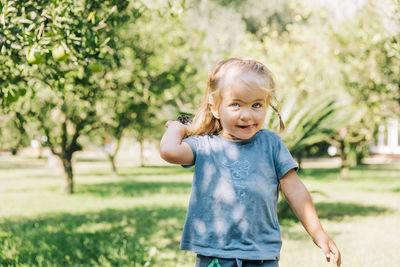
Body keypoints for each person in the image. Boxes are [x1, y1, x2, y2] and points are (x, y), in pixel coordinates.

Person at [160, 58, 341, 267]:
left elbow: (296, 191)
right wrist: (178, 127)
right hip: (216, 255)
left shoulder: (271, 144)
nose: (247, 115)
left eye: (256, 105)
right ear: (216, 108)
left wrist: (318, 233)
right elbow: (169, 151)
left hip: (261, 254)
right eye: (235, 104)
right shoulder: (206, 146)